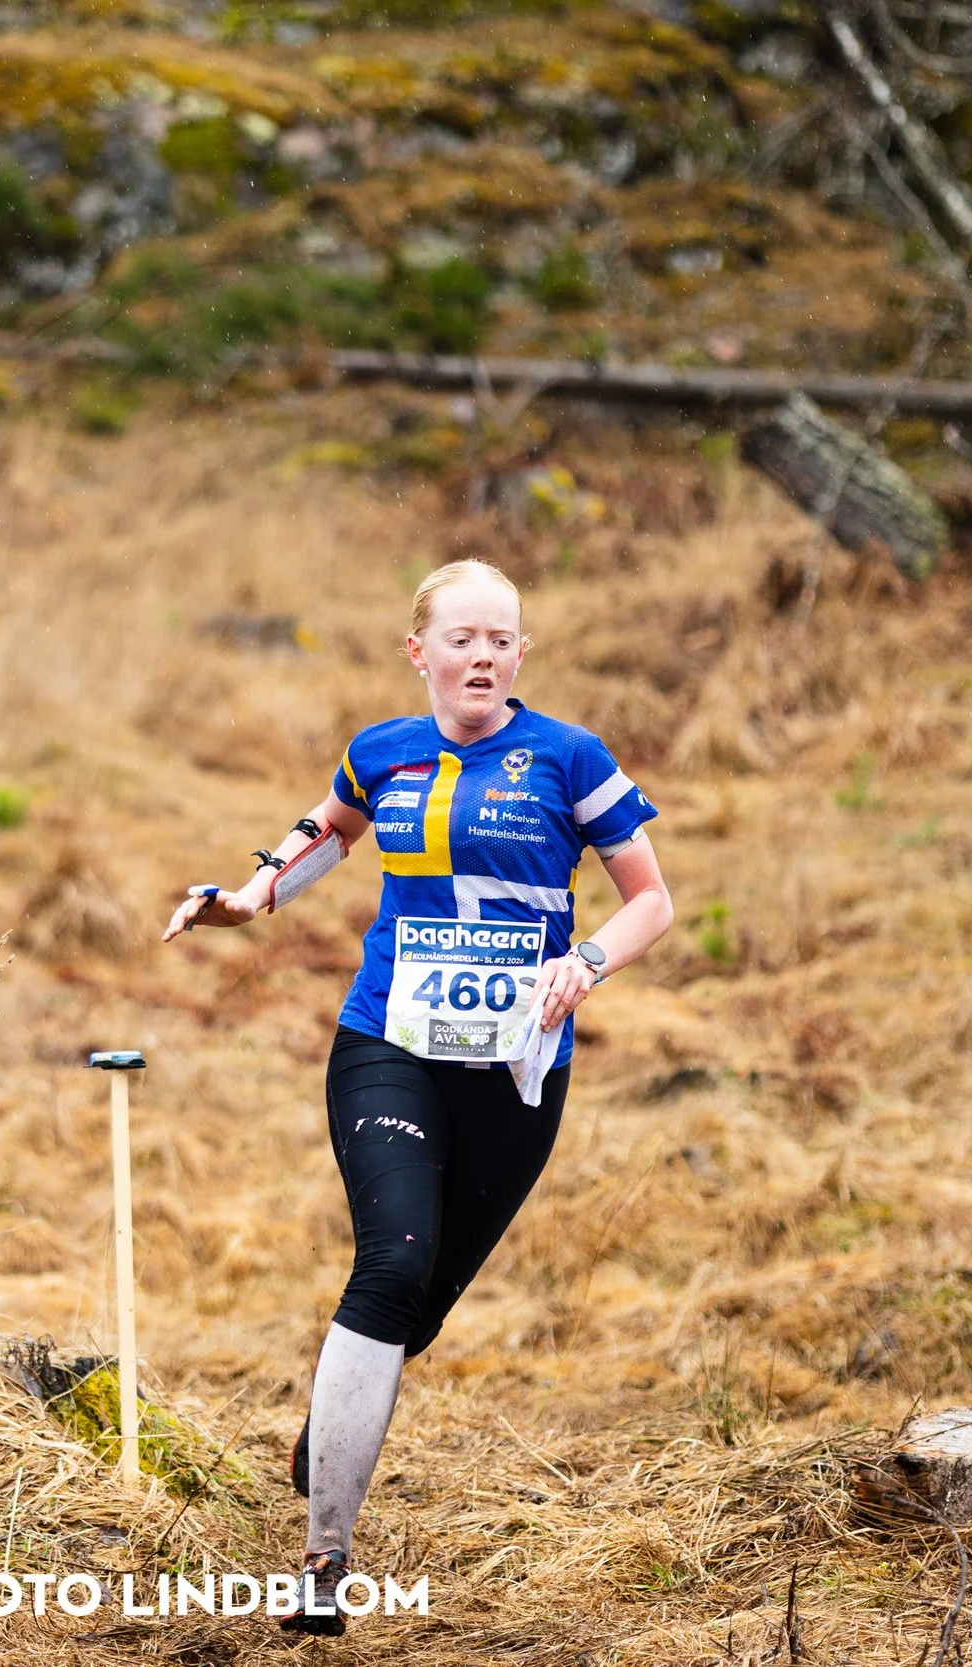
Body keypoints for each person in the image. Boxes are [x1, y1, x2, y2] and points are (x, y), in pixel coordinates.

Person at [160, 558, 674, 1635]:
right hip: (386, 1039)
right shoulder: (381, 751)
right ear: (420, 652)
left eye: (501, 639)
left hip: (519, 1066)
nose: (481, 655)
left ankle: (328, 1426)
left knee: (420, 1303)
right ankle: (323, 1557)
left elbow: (651, 898)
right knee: (390, 1261)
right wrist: (244, 898)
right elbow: (324, 836)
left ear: (520, 655)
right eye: (462, 638)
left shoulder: (569, 757)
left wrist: (584, 961)